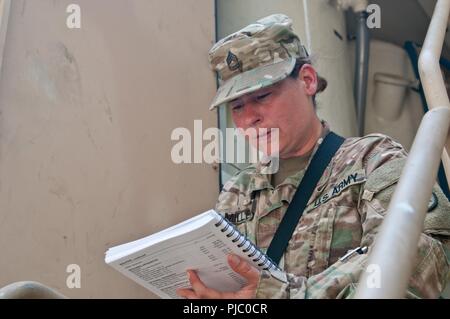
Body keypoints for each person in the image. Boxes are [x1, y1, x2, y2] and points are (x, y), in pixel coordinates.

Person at [176, 13, 450, 299]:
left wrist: (287, 295)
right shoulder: (237, 192)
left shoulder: (372, 160)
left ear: (307, 80)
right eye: (237, 106)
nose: (248, 119)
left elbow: (418, 257)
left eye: (262, 97)